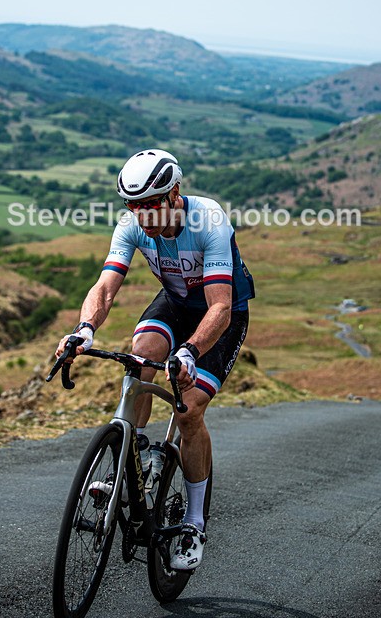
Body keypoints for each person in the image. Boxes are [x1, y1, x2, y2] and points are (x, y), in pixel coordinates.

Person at [55, 148, 255, 570]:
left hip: (221, 314)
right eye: (134, 206)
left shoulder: (209, 220)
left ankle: (194, 522)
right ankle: (136, 457)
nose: (142, 215)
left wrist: (190, 351)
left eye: (150, 204)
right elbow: (105, 287)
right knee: (140, 356)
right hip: (176, 303)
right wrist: (84, 329)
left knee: (189, 410)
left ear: (174, 193)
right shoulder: (132, 225)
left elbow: (220, 306)